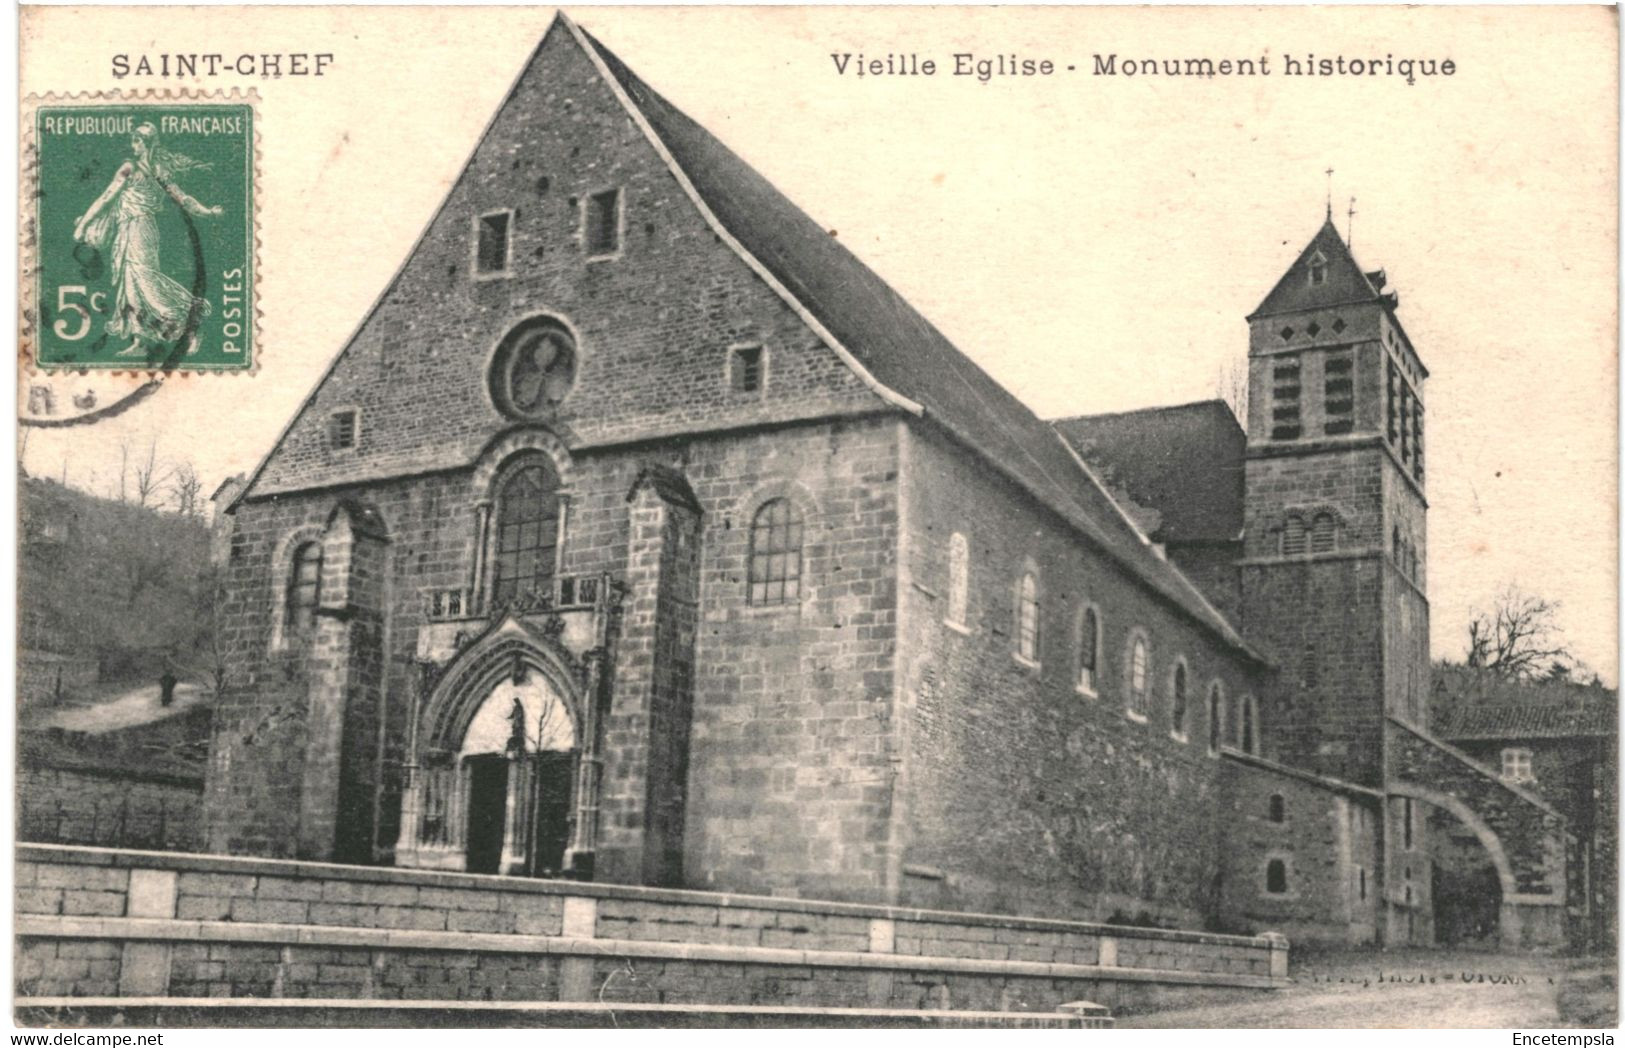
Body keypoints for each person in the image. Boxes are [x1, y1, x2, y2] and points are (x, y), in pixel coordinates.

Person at [71, 123, 223, 356]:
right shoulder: (157, 171)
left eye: (137, 141)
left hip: (139, 229)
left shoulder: (132, 169)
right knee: (131, 283)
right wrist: (208, 211)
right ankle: (140, 341)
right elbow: (185, 200)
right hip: (132, 230)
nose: (133, 146)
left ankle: (189, 326)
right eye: (133, 141)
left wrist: (82, 225)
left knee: (144, 281)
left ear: (146, 143)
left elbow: (105, 199)